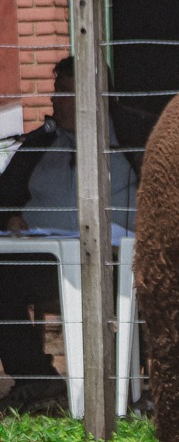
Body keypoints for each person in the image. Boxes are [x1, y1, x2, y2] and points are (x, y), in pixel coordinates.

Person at [0, 56, 146, 413]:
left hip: (114, 265)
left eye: (65, 93)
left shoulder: (132, 138)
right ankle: (38, 381)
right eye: (56, 92)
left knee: (150, 285)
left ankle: (125, 389)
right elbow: (4, 198)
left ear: (96, 96)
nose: (54, 101)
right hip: (46, 264)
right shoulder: (41, 142)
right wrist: (12, 220)